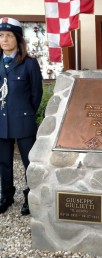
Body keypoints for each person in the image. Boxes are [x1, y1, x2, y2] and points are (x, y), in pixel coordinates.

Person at [0, 17, 43, 215]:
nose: (4, 39)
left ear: (18, 39)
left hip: (23, 119)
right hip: (1, 121)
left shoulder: (29, 63)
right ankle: (7, 195)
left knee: (29, 161)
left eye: (9, 35)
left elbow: (36, 94)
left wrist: (26, 113)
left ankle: (30, 195)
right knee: (4, 161)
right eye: (1, 35)